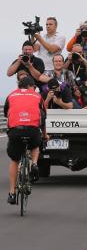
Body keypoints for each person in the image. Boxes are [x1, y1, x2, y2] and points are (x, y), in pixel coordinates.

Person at [3, 76, 47, 204]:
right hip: (33, 131)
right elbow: (43, 117)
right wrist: (44, 135)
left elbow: (7, 113)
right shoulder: (37, 96)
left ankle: (12, 193)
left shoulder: (11, 95)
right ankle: (34, 163)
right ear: (30, 86)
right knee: (35, 145)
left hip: (16, 131)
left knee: (15, 160)